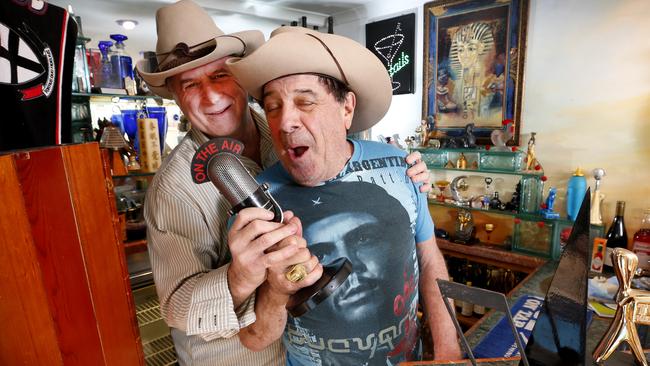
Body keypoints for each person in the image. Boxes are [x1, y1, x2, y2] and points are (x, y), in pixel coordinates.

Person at [137, 1, 432, 365]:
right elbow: (175, 307)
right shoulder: (173, 190)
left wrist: (405, 172)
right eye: (189, 84)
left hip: (301, 345)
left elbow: (340, 159)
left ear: (240, 79)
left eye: (218, 76)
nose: (210, 97)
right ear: (176, 96)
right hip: (235, 357)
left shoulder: (280, 134)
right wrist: (239, 277)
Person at [227, 26, 461, 364]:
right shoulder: (255, 207)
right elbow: (255, 338)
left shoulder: (401, 168)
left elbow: (428, 259)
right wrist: (277, 293)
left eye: (305, 101)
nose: (285, 121)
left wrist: (448, 349)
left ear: (346, 108)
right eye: (273, 107)